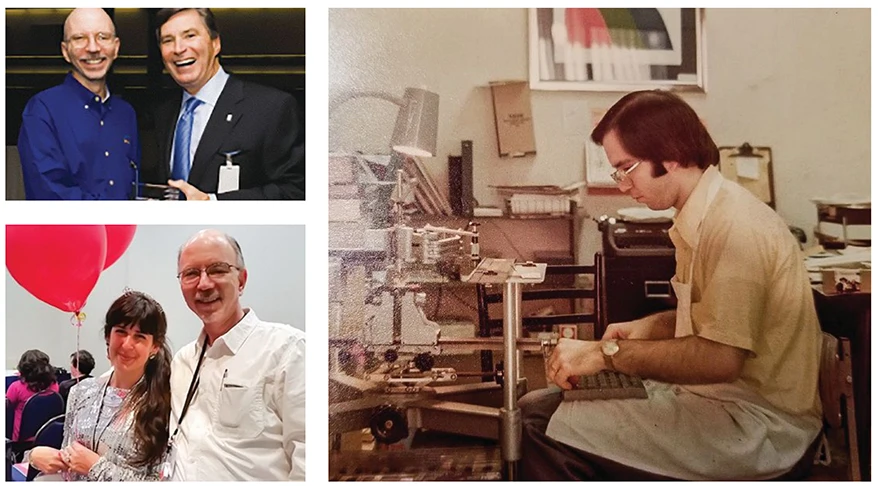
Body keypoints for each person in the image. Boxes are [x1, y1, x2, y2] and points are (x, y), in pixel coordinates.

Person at [519, 90, 823, 480]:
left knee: (539, 427)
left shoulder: (734, 227)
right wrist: (642, 329)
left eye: (626, 168)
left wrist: (607, 353)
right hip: (720, 400)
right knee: (537, 406)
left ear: (672, 155)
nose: (622, 185)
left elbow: (720, 358)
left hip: (760, 426)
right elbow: (704, 317)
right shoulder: (701, 215)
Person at [169, 229, 305, 480]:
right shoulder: (182, 361)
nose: (204, 283)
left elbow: (307, 454)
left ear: (241, 280)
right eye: (191, 274)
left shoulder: (287, 349)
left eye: (217, 270)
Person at [142, 8, 305, 200]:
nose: (178, 48)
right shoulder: (161, 112)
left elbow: (295, 190)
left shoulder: (271, 107)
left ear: (215, 43)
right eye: (168, 40)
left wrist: (212, 202)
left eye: (190, 35)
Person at [28, 291, 172, 481]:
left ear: (155, 347)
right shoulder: (81, 391)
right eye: (121, 331)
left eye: (139, 336)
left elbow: (159, 480)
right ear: (108, 336)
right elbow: (68, 457)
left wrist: (96, 467)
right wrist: (36, 455)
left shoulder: (162, 402)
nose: (127, 344)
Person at [17, 8, 140, 200]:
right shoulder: (42, 109)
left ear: (116, 48)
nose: (92, 48)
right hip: (71, 230)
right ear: (65, 51)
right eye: (80, 38)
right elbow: (49, 193)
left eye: (102, 37)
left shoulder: (126, 113)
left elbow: (131, 187)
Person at [6, 350, 59, 441]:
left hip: (21, 441)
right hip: (47, 437)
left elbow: (7, 406)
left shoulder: (16, 387)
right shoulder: (55, 386)